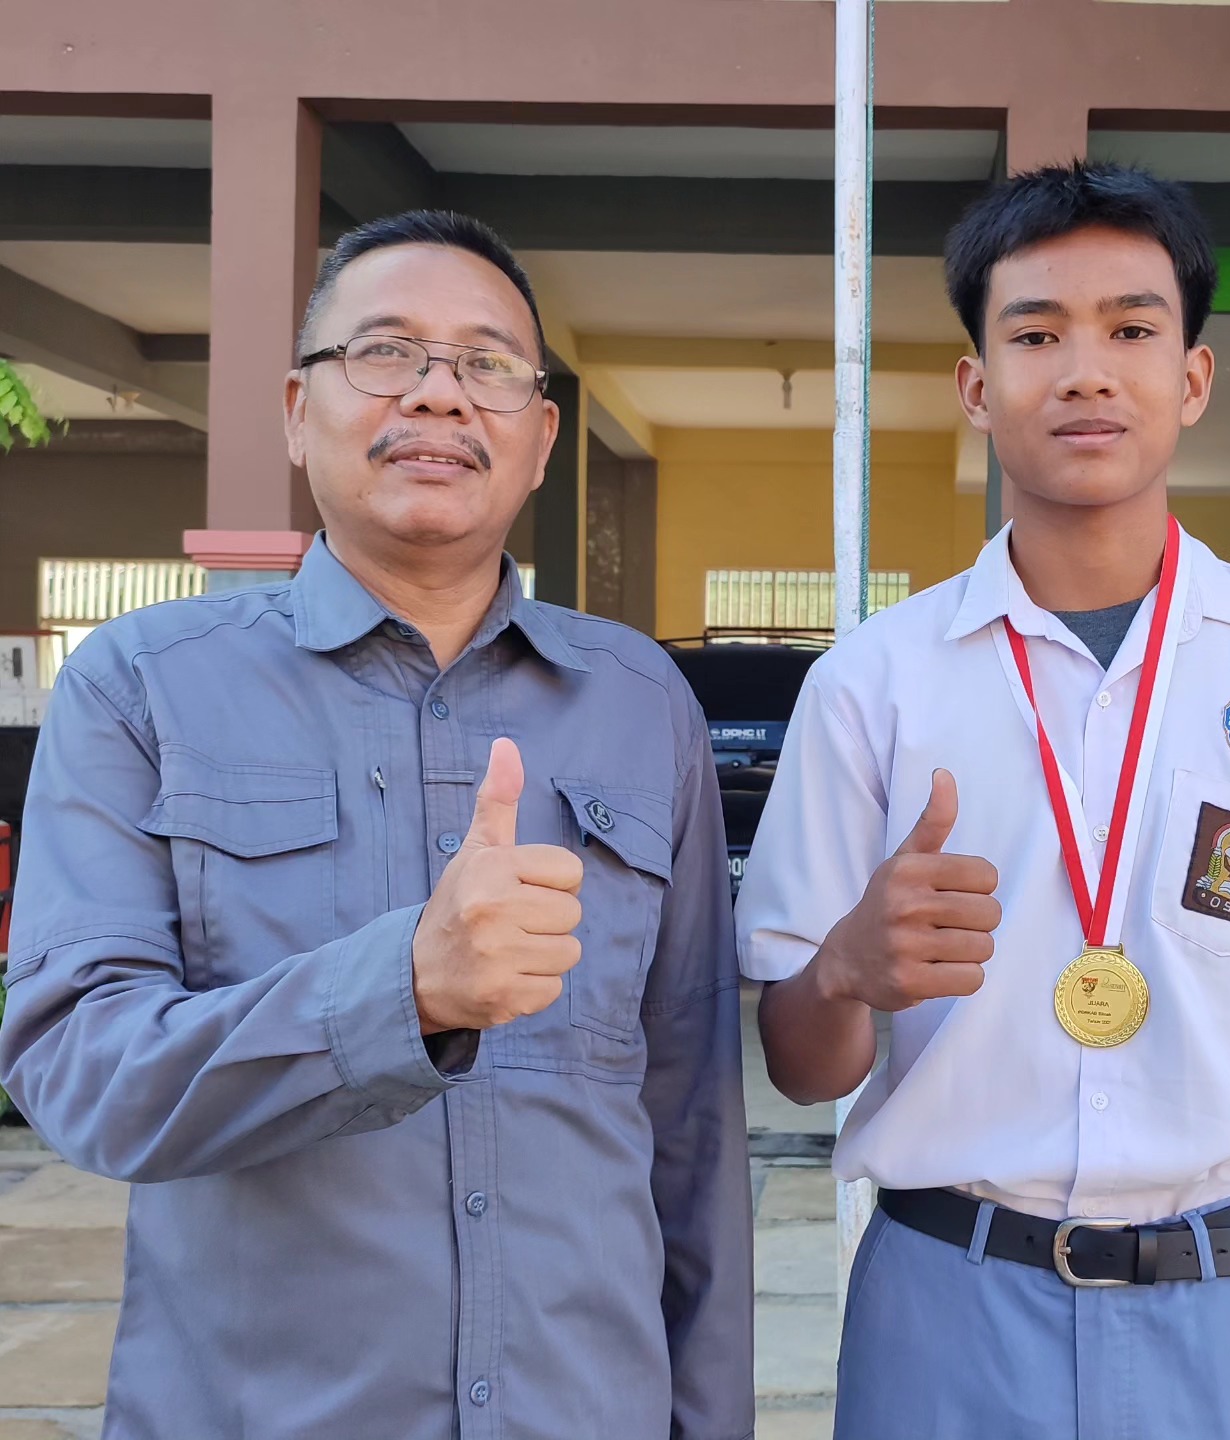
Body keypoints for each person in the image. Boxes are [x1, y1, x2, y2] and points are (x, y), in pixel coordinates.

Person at [0, 210, 753, 1440]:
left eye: (487, 364)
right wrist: (401, 991)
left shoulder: (638, 701)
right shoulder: (142, 686)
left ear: (540, 439)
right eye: (386, 352)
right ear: (299, 411)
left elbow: (692, 1122)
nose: (440, 394)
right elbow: (78, 1072)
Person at [736, 163, 1230, 1440]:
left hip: (1228, 1311)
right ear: (976, 387)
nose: (1085, 372)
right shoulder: (874, 684)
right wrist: (842, 972)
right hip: (946, 1308)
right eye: (1036, 335)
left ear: (1193, 377)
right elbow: (799, 1063)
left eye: (1130, 330)